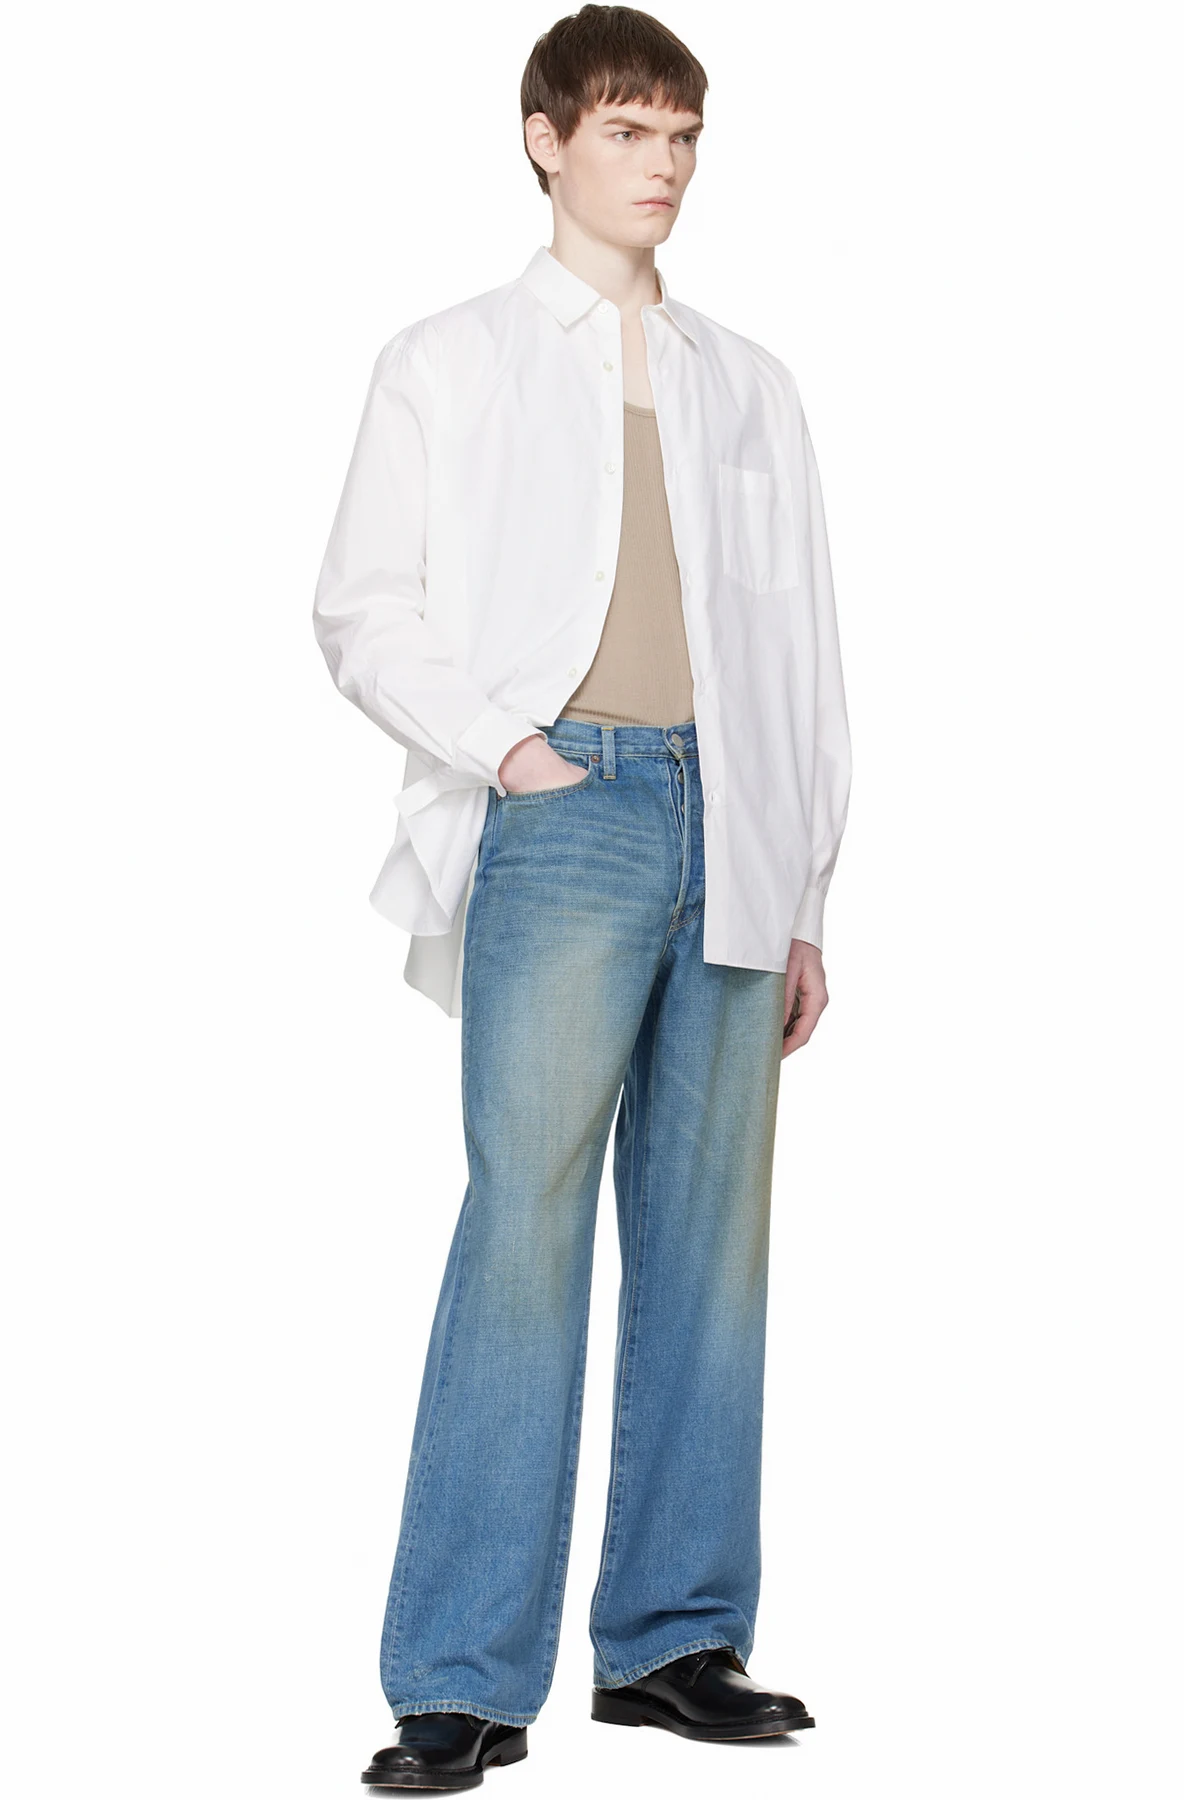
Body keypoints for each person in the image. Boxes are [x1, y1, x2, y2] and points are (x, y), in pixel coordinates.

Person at [312, 6, 852, 1787]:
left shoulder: (749, 380)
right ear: (546, 140)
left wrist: (807, 888)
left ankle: (676, 1641)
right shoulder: (449, 358)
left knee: (713, 1248)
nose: (664, 163)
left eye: (682, 133)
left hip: (735, 824)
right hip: (564, 814)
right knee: (525, 1233)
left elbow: (802, 650)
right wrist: (513, 751)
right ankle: (460, 1675)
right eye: (628, 129)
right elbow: (361, 607)